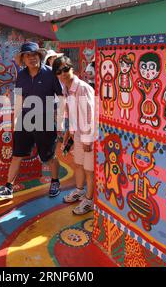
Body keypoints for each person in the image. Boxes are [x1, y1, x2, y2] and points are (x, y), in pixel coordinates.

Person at [0, 42, 64, 199]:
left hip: (45, 120)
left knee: (49, 156)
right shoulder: (22, 75)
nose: (32, 58)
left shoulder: (50, 73)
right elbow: (19, 99)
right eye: (28, 56)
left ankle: (55, 181)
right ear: (23, 59)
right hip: (25, 119)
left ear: (39, 56)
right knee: (17, 154)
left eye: (34, 55)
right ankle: (8, 188)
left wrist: (60, 121)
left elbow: (62, 97)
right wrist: (15, 122)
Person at [52, 56, 95, 215]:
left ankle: (89, 200)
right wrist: (68, 132)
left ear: (72, 68)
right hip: (78, 133)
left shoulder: (81, 88)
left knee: (89, 170)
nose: (62, 73)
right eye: (58, 71)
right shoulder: (66, 88)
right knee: (78, 164)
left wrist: (87, 138)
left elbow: (90, 114)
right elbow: (71, 112)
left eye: (65, 69)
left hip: (88, 135)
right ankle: (79, 190)